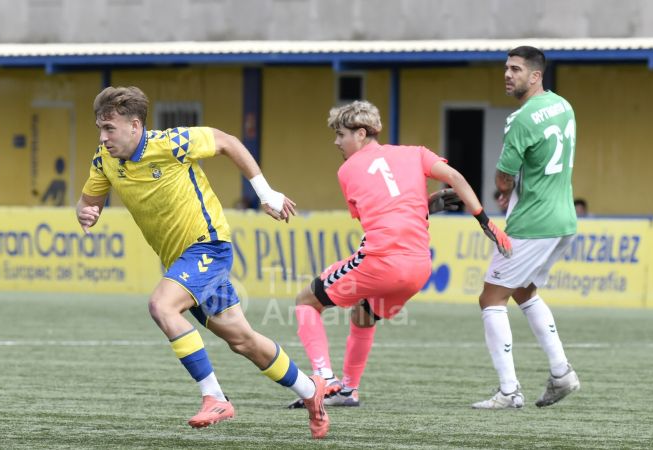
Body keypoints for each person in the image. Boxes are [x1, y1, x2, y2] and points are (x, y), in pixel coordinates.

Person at [76, 86, 329, 439]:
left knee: (162, 306)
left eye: (110, 128)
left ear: (135, 126)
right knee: (243, 340)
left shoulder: (172, 143)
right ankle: (309, 390)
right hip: (182, 260)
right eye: (100, 129)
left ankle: (214, 397)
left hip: (208, 246)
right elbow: (89, 203)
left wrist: (265, 193)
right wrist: (86, 213)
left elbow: (228, 142)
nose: (103, 138)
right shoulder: (104, 161)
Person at [289, 100, 511, 408]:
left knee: (306, 301)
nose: (336, 141)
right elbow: (456, 179)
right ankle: (349, 390)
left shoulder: (347, 170)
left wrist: (425, 203)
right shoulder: (415, 153)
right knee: (363, 315)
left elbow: (377, 213)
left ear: (361, 133)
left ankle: (324, 379)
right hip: (419, 267)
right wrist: (484, 221)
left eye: (341, 134)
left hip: (381, 259)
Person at [472, 46, 580, 410]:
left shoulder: (522, 118)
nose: (507, 74)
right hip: (563, 218)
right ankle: (561, 373)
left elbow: (503, 180)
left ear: (535, 76)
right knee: (523, 291)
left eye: (515, 69)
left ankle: (508, 391)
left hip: (533, 221)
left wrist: (504, 190)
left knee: (491, 298)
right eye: (506, 68)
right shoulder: (563, 105)